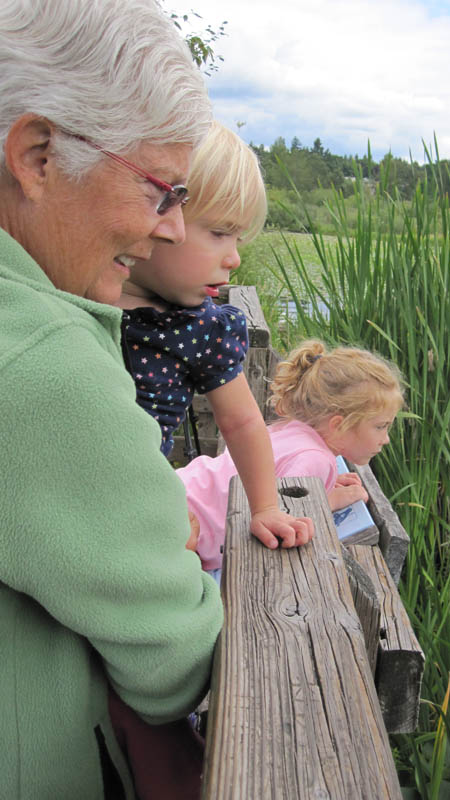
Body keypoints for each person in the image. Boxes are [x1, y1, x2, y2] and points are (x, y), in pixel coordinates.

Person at [0, 0, 224, 797]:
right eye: (162, 190)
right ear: (37, 155)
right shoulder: (41, 365)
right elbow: (175, 663)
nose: (173, 230)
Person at [118, 121, 314, 554]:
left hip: (135, 510)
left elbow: (243, 422)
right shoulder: (76, 289)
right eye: (220, 233)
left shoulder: (201, 329)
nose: (234, 258)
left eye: (238, 238)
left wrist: (265, 507)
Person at [178, 340, 406, 571]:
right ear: (339, 424)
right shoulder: (317, 459)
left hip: (185, 493)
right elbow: (284, 513)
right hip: (189, 527)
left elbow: (275, 475)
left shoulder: (292, 429)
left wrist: (322, 487)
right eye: (380, 426)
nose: (385, 438)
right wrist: (333, 500)